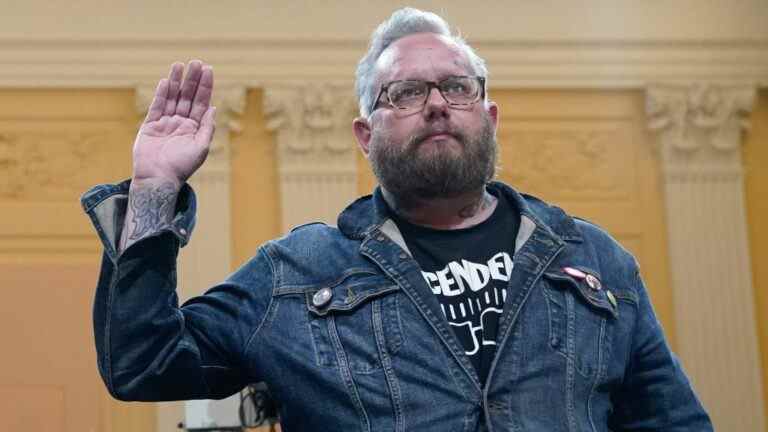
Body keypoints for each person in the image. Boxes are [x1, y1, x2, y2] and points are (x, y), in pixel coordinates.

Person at [81, 7, 713, 431]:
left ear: (488, 118)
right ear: (365, 134)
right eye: (406, 94)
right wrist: (154, 191)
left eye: (458, 87)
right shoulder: (295, 275)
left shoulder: (594, 261)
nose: (437, 104)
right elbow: (143, 364)